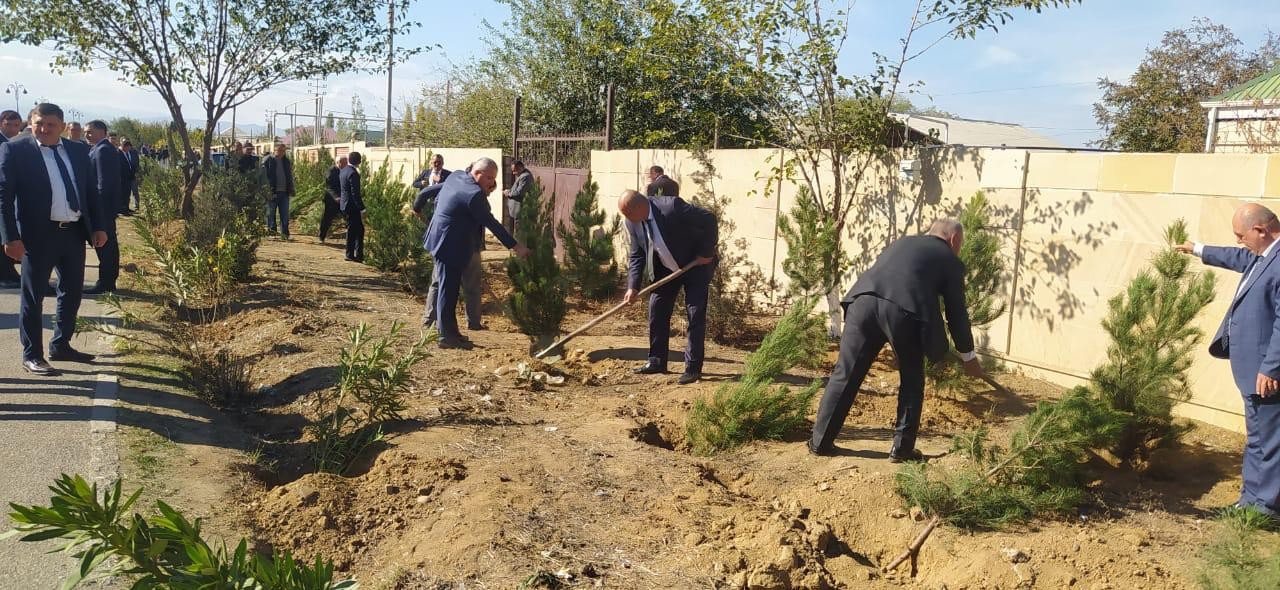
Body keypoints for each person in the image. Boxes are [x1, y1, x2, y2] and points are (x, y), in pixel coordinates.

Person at [809, 219, 985, 460]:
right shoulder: (949, 259)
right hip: (903, 313)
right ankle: (902, 449)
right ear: (953, 240)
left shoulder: (903, 242)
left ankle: (820, 442)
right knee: (912, 378)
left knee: (845, 373)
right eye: (959, 244)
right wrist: (969, 356)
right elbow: (957, 313)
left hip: (862, 301)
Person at [1176, 203, 1280, 515]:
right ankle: (1251, 501)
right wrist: (1198, 249)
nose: (1239, 242)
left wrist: (1272, 367)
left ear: (1260, 231)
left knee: (1268, 442)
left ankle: (1263, 509)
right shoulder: (1265, 254)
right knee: (1259, 438)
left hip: (1266, 372)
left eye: (1241, 235)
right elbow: (1237, 258)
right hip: (1254, 369)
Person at [0, 103, 109, 376]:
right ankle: (32, 355)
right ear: (30, 123)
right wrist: (10, 237)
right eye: (39, 123)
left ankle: (61, 344)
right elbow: (3, 197)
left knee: (72, 293)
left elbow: (90, 192)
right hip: (36, 237)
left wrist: (99, 227)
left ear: (61, 125)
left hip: (72, 232)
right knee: (33, 298)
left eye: (50, 124)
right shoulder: (15, 150)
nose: (44, 129)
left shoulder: (78, 150)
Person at [425, 157, 530, 348]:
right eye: (489, 178)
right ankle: (446, 338)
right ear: (478, 173)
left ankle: (451, 332)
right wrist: (517, 247)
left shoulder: (457, 176)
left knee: (449, 290)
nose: (492, 183)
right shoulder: (473, 195)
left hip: (442, 239)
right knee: (447, 291)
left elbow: (437, 195)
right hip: (450, 245)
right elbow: (492, 223)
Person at [618, 189, 717, 384]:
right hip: (666, 269)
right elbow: (637, 254)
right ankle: (656, 361)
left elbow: (709, 219)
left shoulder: (671, 207)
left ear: (639, 207)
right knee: (657, 309)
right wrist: (633, 287)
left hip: (695, 265)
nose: (627, 219)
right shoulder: (633, 221)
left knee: (695, 314)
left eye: (628, 214)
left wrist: (707, 251)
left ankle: (693, 368)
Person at [415, 176, 484, 331]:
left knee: (439, 282)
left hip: (448, 244)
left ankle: (430, 319)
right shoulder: (473, 189)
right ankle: (471, 322)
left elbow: (423, 193)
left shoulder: (452, 185)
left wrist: (417, 209)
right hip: (459, 246)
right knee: (467, 285)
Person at [84, 120, 122, 294]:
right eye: (86, 132)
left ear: (102, 132)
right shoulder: (100, 148)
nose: (87, 135)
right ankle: (108, 281)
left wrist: (96, 208)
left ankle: (106, 282)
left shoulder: (103, 150)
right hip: (105, 208)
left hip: (103, 208)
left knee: (105, 245)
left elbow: (103, 184)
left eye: (90, 132)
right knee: (106, 245)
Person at [0, 110, 24, 289]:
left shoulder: (13, 143)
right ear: (2, 123)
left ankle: (8, 271)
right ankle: (5, 274)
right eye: (10, 125)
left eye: (17, 125)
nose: (14, 129)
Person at [261, 143, 295, 239]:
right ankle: (272, 233)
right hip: (272, 192)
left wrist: (291, 188)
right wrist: (266, 191)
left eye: (283, 151)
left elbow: (289, 176)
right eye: (279, 150)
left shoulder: (286, 161)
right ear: (274, 150)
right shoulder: (268, 160)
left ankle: (285, 234)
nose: (281, 153)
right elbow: (263, 177)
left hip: (284, 192)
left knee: (285, 215)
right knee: (271, 214)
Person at [340, 152, 365, 262]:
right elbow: (355, 193)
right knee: (354, 230)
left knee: (358, 230)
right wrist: (362, 208)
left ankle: (358, 255)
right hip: (352, 206)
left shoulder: (344, 170)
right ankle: (351, 254)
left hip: (344, 204)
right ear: (359, 161)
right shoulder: (353, 173)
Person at [320, 155, 346, 243]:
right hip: (332, 200)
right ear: (337, 163)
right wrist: (335, 197)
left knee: (348, 218)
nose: (345, 164)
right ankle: (322, 237)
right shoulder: (331, 171)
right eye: (343, 163)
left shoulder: (346, 171)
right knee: (327, 218)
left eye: (346, 163)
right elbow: (329, 187)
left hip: (343, 200)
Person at [502, 160, 532, 231]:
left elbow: (519, 192)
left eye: (515, 171)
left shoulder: (525, 176)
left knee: (519, 232)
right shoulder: (522, 175)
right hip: (517, 210)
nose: (513, 173)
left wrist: (508, 193)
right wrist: (509, 191)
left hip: (520, 210)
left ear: (520, 168)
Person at [118, 139, 140, 214]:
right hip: (123, 178)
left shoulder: (131, 153)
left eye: (129, 147)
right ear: (124, 146)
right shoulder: (119, 153)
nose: (128, 149)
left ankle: (127, 208)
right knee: (123, 194)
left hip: (130, 177)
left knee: (128, 194)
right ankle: (123, 209)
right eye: (127, 147)